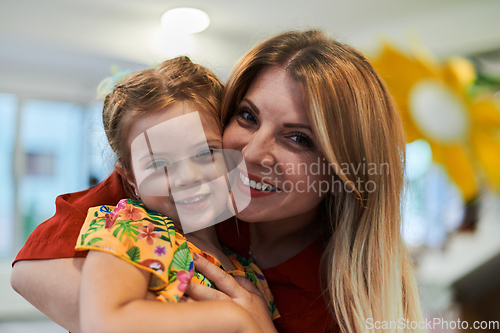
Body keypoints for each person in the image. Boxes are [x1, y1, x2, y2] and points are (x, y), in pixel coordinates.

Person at [11, 30, 424, 333]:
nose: (251, 152)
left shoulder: (336, 298)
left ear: (342, 172)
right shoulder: (156, 198)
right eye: (247, 116)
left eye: (299, 138)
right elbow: (31, 271)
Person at [72, 56, 278, 333]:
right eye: (158, 164)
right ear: (131, 178)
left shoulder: (250, 273)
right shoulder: (131, 229)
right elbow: (103, 323)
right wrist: (235, 320)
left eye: (206, 152)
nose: (188, 176)